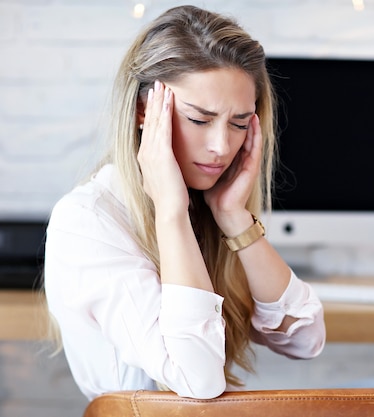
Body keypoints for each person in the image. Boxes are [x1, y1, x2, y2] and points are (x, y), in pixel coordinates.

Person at [44, 5, 325, 401]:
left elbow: (306, 340)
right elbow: (198, 381)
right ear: (145, 110)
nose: (221, 147)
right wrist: (171, 213)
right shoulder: (87, 221)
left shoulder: (205, 207)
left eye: (239, 123)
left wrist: (234, 218)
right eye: (199, 119)